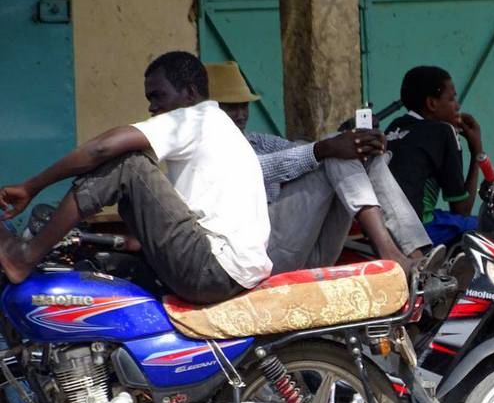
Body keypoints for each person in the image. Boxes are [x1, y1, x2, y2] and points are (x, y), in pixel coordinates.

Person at [0, 51, 270, 304]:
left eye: (158, 96)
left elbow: (101, 149)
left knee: (128, 164)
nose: (152, 107)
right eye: (149, 99)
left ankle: (24, 257)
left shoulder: (197, 119)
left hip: (211, 267)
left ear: (189, 93)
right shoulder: (216, 127)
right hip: (228, 271)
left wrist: (31, 186)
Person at [204, 61, 431, 274]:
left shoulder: (256, 141)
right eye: (231, 108)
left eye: (243, 106)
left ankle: (417, 257)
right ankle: (390, 252)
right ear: (212, 111)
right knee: (332, 148)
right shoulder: (206, 150)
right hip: (259, 257)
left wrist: (366, 146)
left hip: (308, 249)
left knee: (346, 149)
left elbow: (302, 151)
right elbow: (259, 169)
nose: (241, 114)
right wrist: (327, 146)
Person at [385, 66, 483, 246]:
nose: (457, 106)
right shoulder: (444, 131)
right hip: (417, 229)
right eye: (451, 98)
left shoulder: (394, 127)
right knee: (489, 228)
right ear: (431, 103)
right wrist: (477, 150)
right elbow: (462, 209)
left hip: (383, 227)